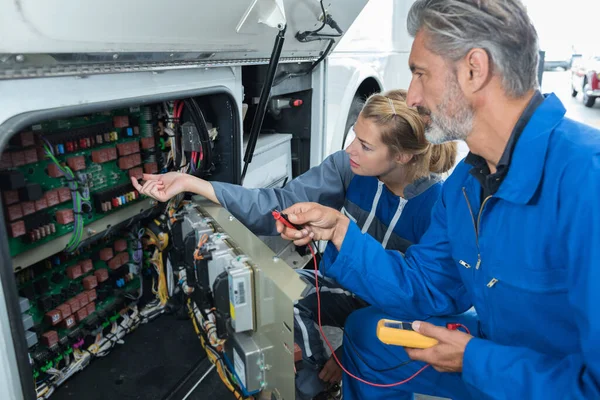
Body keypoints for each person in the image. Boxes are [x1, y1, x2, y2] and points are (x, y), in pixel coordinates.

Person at [275, 0, 600, 399]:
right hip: (496, 349)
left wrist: (476, 360)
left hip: (552, 377)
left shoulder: (587, 180)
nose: (411, 97)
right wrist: (342, 231)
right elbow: (424, 286)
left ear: (473, 70)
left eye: (420, 74)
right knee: (368, 334)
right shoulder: (466, 183)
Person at [131, 89, 457, 399]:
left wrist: (352, 350)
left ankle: (331, 376)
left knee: (368, 352)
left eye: (366, 146)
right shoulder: (348, 167)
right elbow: (279, 203)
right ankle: (316, 384)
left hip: (395, 306)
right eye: (354, 137)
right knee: (275, 293)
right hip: (344, 287)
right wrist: (191, 182)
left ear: (401, 155)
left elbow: (421, 298)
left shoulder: (437, 206)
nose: (351, 150)